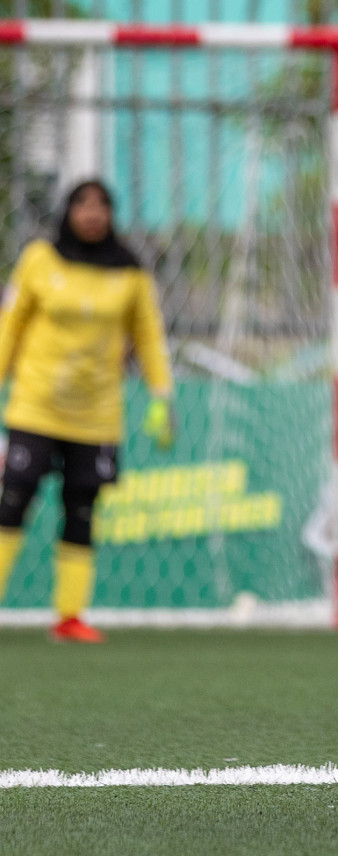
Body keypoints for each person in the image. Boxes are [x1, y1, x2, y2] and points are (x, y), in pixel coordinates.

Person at [0, 180, 174, 643]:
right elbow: (10, 324)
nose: (92, 214)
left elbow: (148, 334)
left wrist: (162, 393)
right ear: (68, 211)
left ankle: (69, 617)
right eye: (83, 204)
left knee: (81, 508)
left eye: (102, 206)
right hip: (36, 404)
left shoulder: (130, 271)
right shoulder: (40, 258)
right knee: (12, 500)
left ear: (112, 214)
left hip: (96, 413)